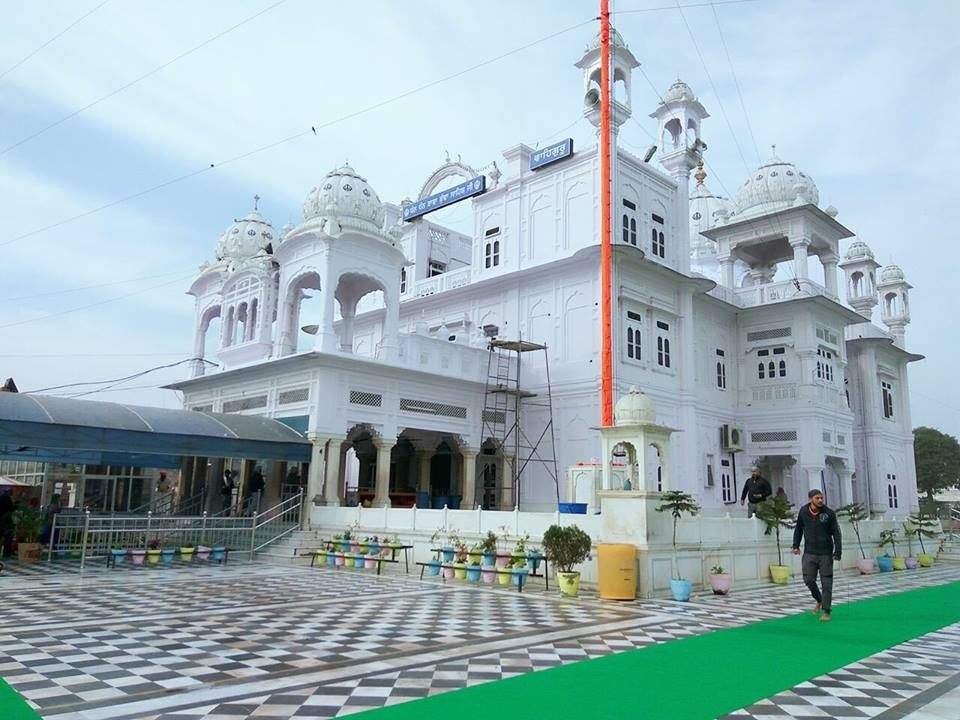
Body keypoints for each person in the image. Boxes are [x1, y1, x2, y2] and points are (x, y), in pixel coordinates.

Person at [792, 488, 842, 623]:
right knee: (808, 579)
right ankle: (819, 600)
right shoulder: (803, 512)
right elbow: (798, 529)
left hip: (825, 554)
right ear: (811, 499)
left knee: (826, 582)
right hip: (809, 552)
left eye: (821, 498)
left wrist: (837, 552)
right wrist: (795, 545)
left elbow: (836, 533)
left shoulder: (829, 514)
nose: (820, 500)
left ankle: (826, 611)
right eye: (817, 498)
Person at [0, 488, 14, 559]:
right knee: (8, 538)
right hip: (6, 522)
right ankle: (6, 554)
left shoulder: (1, 498)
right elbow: (11, 509)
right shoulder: (8, 499)